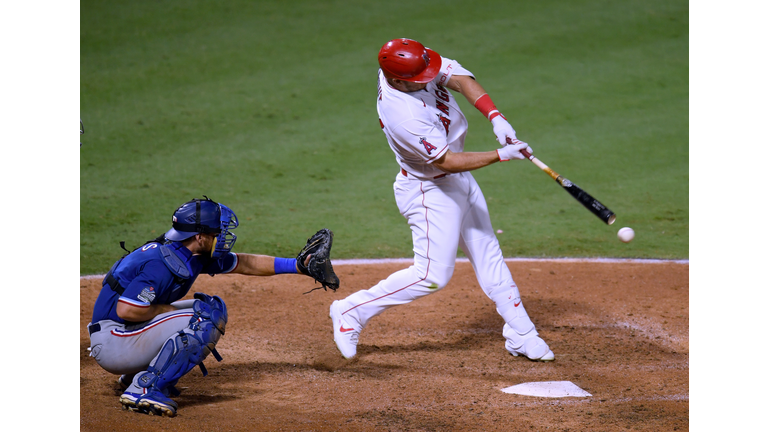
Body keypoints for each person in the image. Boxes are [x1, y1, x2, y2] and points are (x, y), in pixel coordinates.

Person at [330, 38, 554, 362]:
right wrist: (501, 155)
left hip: (456, 180)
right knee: (431, 275)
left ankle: (521, 333)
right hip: (429, 191)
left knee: (488, 252)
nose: (428, 78)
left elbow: (460, 79)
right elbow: (446, 161)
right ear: (396, 80)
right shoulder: (402, 114)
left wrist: (496, 117)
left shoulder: (410, 66)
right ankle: (351, 311)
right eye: (420, 78)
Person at [87, 197, 337, 417]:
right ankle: (143, 389)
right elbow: (127, 310)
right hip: (113, 341)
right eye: (217, 232)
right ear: (200, 237)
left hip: (126, 334)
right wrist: (169, 312)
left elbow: (244, 263)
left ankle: (136, 376)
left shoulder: (187, 253)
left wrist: (298, 265)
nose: (222, 237)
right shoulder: (160, 263)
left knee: (205, 308)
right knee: (203, 319)